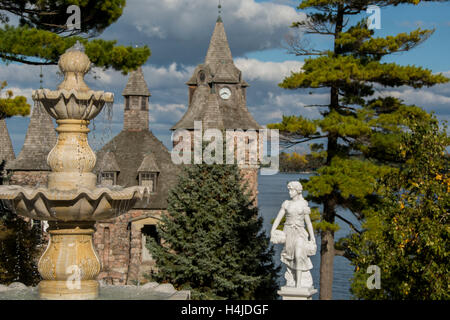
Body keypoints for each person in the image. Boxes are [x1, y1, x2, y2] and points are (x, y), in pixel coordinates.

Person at [271, 181, 316, 288]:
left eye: (292, 190)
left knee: (298, 255)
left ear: (297, 191)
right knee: (290, 257)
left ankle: (299, 284)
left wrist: (312, 236)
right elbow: (278, 218)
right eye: (289, 190)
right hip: (288, 232)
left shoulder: (303, 204)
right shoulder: (286, 203)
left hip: (300, 232)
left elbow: (308, 222)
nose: (290, 192)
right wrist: (272, 230)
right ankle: (292, 280)